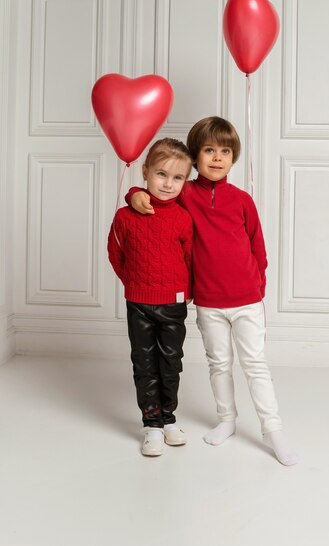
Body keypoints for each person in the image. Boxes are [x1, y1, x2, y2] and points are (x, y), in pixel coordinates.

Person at [126, 117, 299, 466]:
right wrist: (134, 195)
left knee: (255, 364)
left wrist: (258, 286)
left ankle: (272, 428)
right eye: (209, 150)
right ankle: (227, 420)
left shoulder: (243, 200)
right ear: (195, 156)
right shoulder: (186, 192)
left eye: (225, 151)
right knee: (219, 363)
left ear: (233, 157)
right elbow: (154, 194)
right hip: (208, 302)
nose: (217, 158)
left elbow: (258, 247)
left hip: (247, 300)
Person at [108, 138, 193, 457]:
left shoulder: (183, 217)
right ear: (144, 172)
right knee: (144, 363)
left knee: (171, 362)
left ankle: (169, 419)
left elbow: (189, 257)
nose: (169, 184)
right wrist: (133, 283)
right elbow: (115, 252)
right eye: (161, 174)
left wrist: (187, 292)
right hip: (139, 303)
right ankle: (152, 425)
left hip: (173, 303)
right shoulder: (125, 216)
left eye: (177, 178)